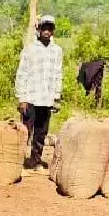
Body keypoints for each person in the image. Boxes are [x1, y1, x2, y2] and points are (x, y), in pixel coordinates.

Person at [16, 14, 63, 169]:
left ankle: (35, 161)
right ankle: (19, 161)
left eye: (50, 28)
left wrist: (56, 97)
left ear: (53, 31)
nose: (47, 31)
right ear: (39, 29)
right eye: (44, 28)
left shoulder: (57, 51)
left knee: (41, 133)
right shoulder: (30, 49)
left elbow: (58, 74)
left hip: (47, 98)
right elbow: (22, 73)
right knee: (25, 132)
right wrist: (21, 98)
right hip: (30, 96)